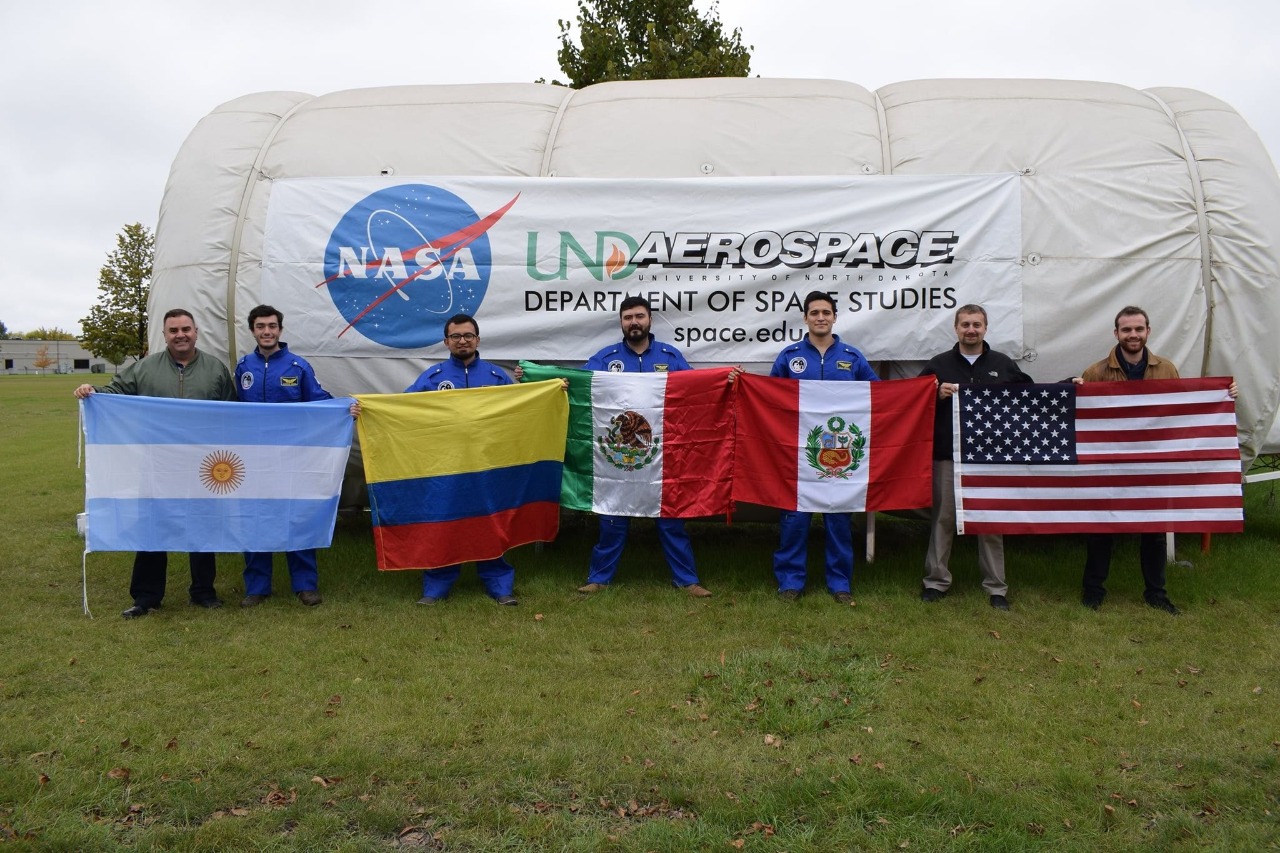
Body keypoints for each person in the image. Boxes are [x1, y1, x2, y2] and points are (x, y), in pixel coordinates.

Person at [1073, 305, 1237, 615]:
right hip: (1111, 463)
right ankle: (1093, 591)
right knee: (1101, 530)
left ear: (1148, 331)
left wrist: (1223, 395)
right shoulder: (1096, 371)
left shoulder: (1166, 369)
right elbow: (1085, 415)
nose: (1132, 335)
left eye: (1138, 329)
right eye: (1126, 330)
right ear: (1116, 334)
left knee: (1154, 531)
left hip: (1152, 464)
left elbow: (1182, 411)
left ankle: (1156, 593)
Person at [74, 308, 236, 619]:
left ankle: (203, 592)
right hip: (155, 462)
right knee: (151, 526)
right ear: (164, 335)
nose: (180, 335)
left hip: (202, 465)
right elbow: (113, 394)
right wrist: (92, 392)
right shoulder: (144, 369)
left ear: (196, 331)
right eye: (173, 330)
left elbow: (232, 414)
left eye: (185, 328)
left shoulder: (215, 370)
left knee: (201, 526)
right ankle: (146, 597)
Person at [577, 296, 713, 598]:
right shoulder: (605, 357)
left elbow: (695, 391)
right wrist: (540, 377)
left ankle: (687, 580)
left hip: (661, 457)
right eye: (628, 317)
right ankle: (598, 578)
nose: (634, 322)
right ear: (621, 322)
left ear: (650, 320)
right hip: (618, 459)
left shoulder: (670, 355)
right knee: (612, 519)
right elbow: (578, 384)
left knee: (671, 521)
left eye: (639, 316)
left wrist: (725, 380)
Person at [918, 304, 1033, 610]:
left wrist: (1067, 386)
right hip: (947, 455)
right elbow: (913, 401)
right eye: (965, 324)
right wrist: (934, 394)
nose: (971, 329)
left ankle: (996, 588)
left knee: (989, 522)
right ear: (956, 328)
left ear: (985, 328)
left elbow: (1031, 397)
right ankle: (936, 582)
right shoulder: (938, 365)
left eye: (977, 324)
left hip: (988, 457)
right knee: (943, 518)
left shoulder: (1002, 364)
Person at [768, 291, 879, 604]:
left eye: (826, 312)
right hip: (797, 456)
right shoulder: (789, 357)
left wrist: (921, 391)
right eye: (814, 312)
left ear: (834, 317)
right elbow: (769, 397)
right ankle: (790, 582)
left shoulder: (853, 358)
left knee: (839, 522)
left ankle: (840, 584)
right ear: (805, 318)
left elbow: (880, 398)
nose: (820, 317)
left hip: (839, 457)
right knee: (793, 521)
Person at [404, 313, 520, 606]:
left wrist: (550, 390)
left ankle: (499, 583)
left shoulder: (496, 378)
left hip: (487, 466)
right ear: (446, 342)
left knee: (489, 524)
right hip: (447, 466)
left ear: (477, 339)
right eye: (456, 336)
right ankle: (437, 585)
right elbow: (401, 408)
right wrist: (367, 409)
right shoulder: (432, 379)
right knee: (445, 524)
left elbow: (520, 412)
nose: (462, 341)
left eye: (468, 335)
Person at [234, 304, 332, 608]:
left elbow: (319, 402)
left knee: (296, 518)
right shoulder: (243, 368)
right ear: (252, 330)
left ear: (280, 329)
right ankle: (257, 586)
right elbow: (231, 409)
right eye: (261, 326)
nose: (267, 331)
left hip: (292, 458)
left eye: (272, 326)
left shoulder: (298, 367)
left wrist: (345, 409)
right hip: (252, 459)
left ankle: (305, 585)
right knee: (255, 518)